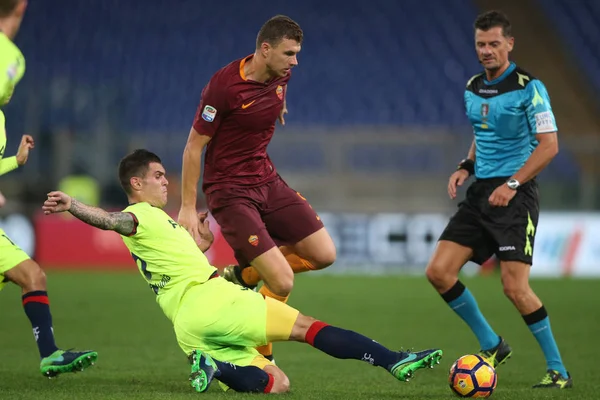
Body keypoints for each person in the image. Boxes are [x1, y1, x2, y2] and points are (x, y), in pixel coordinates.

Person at [43, 149, 443, 393]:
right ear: (136, 182)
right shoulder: (139, 215)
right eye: (159, 176)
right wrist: (74, 206)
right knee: (307, 328)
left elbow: (183, 260)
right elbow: (113, 221)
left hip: (188, 326)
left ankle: (217, 368)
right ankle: (393, 359)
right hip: (212, 299)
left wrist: (198, 244)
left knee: (278, 383)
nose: (167, 182)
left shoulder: (162, 225)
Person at [424, 10, 571, 389]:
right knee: (438, 272)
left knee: (514, 288)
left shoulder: (529, 87)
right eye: (480, 44)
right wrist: (465, 165)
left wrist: (514, 183)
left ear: (509, 43)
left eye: (493, 43)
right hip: (480, 194)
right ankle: (493, 344)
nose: (486, 50)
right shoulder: (473, 86)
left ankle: (558, 370)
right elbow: (482, 133)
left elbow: (549, 146)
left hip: (515, 198)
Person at [177, 14, 336, 361]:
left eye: (296, 54)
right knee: (281, 282)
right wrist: (188, 207)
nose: (295, 62)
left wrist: (281, 104)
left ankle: (245, 274)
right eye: (289, 54)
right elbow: (193, 147)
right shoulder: (223, 88)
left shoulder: (282, 74)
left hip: (266, 179)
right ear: (265, 50)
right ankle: (261, 352)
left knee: (324, 254)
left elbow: (283, 84)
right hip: (230, 191)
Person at [0, 0, 97, 377]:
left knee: (32, 276)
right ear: (21, 8)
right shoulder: (11, 56)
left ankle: (50, 354)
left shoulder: (2, 119)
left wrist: (15, 162)